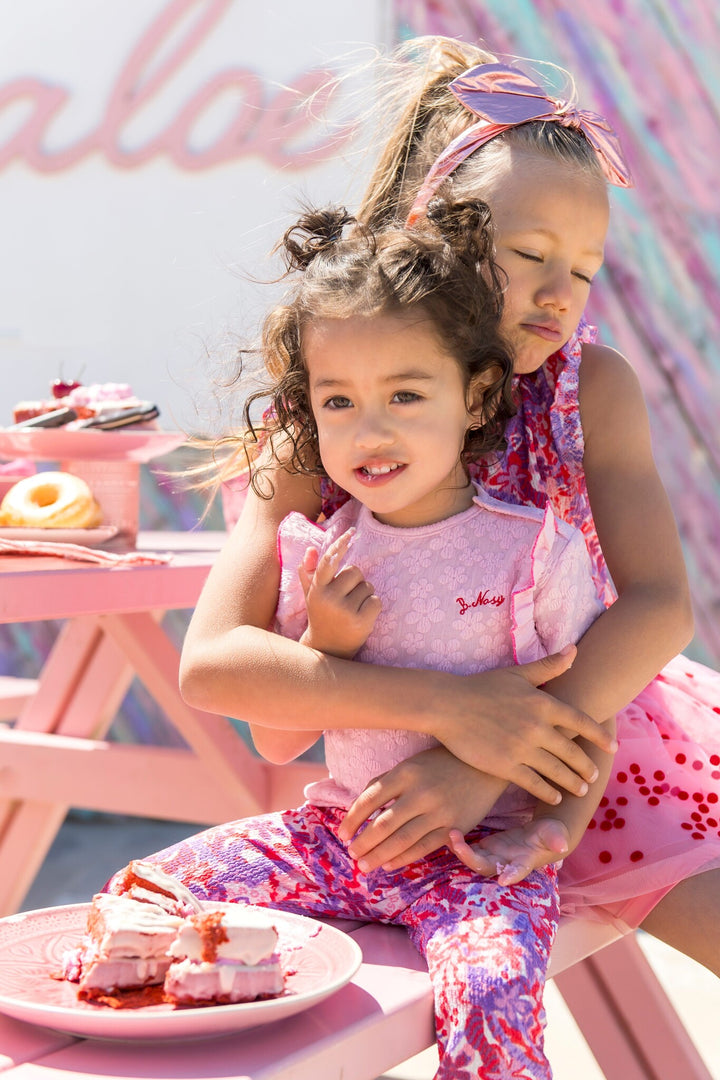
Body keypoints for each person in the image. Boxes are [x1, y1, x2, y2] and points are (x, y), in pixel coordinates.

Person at [175, 39, 718, 975]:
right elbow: (218, 660)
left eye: (584, 268)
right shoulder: (332, 409)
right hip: (398, 792)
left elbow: (661, 606)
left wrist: (491, 757)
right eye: (528, 253)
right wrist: (451, 713)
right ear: (441, 235)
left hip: (587, 757)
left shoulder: (591, 384)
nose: (560, 292)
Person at [110, 199, 612, 1078]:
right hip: (338, 837)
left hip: (475, 862)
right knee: (144, 899)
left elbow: (583, 721)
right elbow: (277, 738)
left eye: (406, 396)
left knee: (491, 1003)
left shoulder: (536, 548)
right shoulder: (325, 548)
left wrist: (549, 838)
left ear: (477, 395)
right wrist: (328, 642)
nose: (369, 431)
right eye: (338, 400)